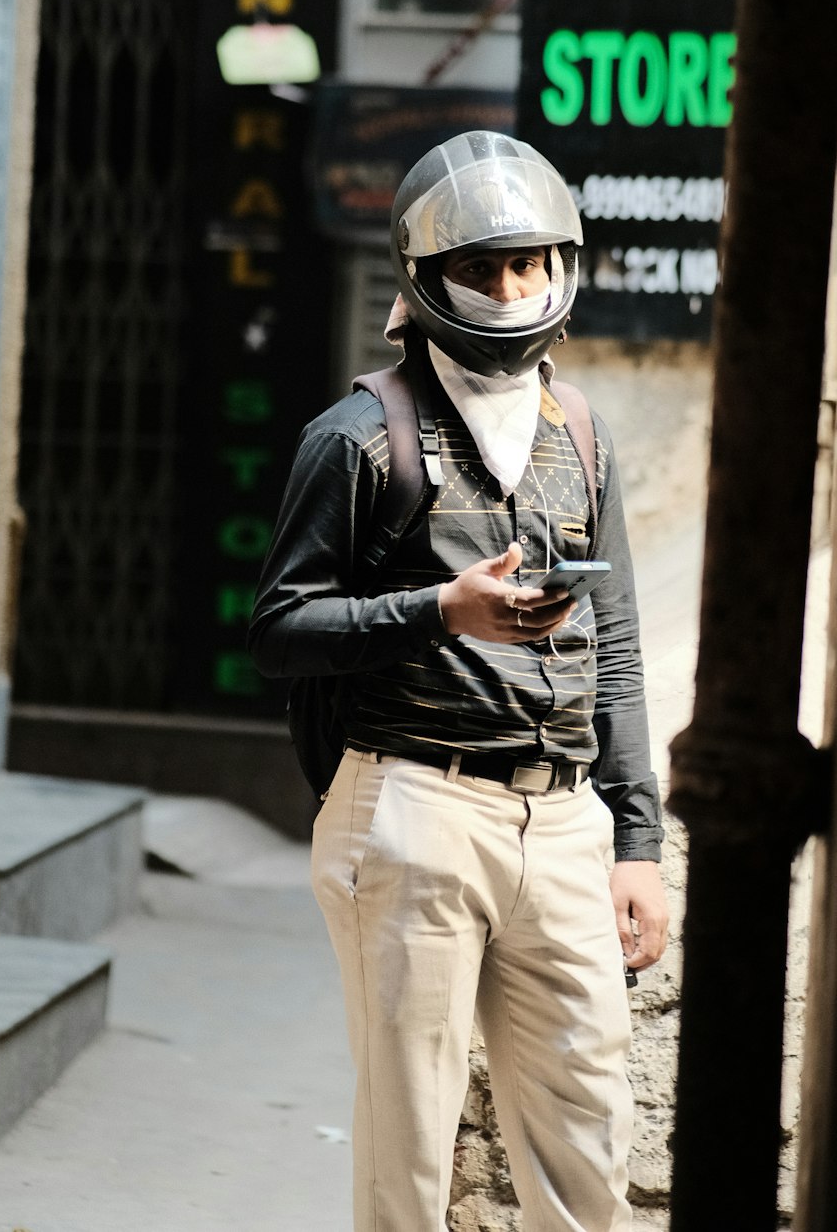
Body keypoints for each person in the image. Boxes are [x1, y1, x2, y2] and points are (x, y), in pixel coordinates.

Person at [249, 130, 668, 1232]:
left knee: (588, 1144)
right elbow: (279, 629)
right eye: (483, 267)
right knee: (410, 1159)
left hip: (563, 821)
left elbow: (613, 642)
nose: (510, 286)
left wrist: (637, 843)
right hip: (412, 807)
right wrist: (439, 609)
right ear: (426, 277)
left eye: (528, 262)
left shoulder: (580, 434)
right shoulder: (354, 438)